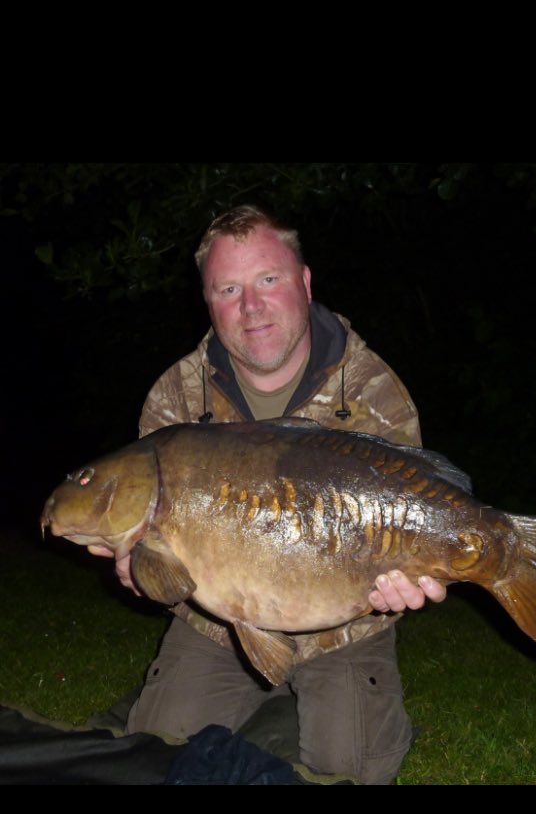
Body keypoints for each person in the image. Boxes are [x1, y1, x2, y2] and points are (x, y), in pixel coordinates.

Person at [91, 205, 446, 784]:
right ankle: (240, 691)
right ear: (207, 301)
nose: (250, 306)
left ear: (304, 283)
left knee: (348, 768)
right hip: (218, 626)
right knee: (155, 758)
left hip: (342, 625)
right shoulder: (175, 398)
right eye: (228, 289)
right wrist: (142, 573)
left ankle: (311, 701)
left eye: (268, 280)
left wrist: (403, 581)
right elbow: (165, 572)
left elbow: (410, 514)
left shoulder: (371, 389)